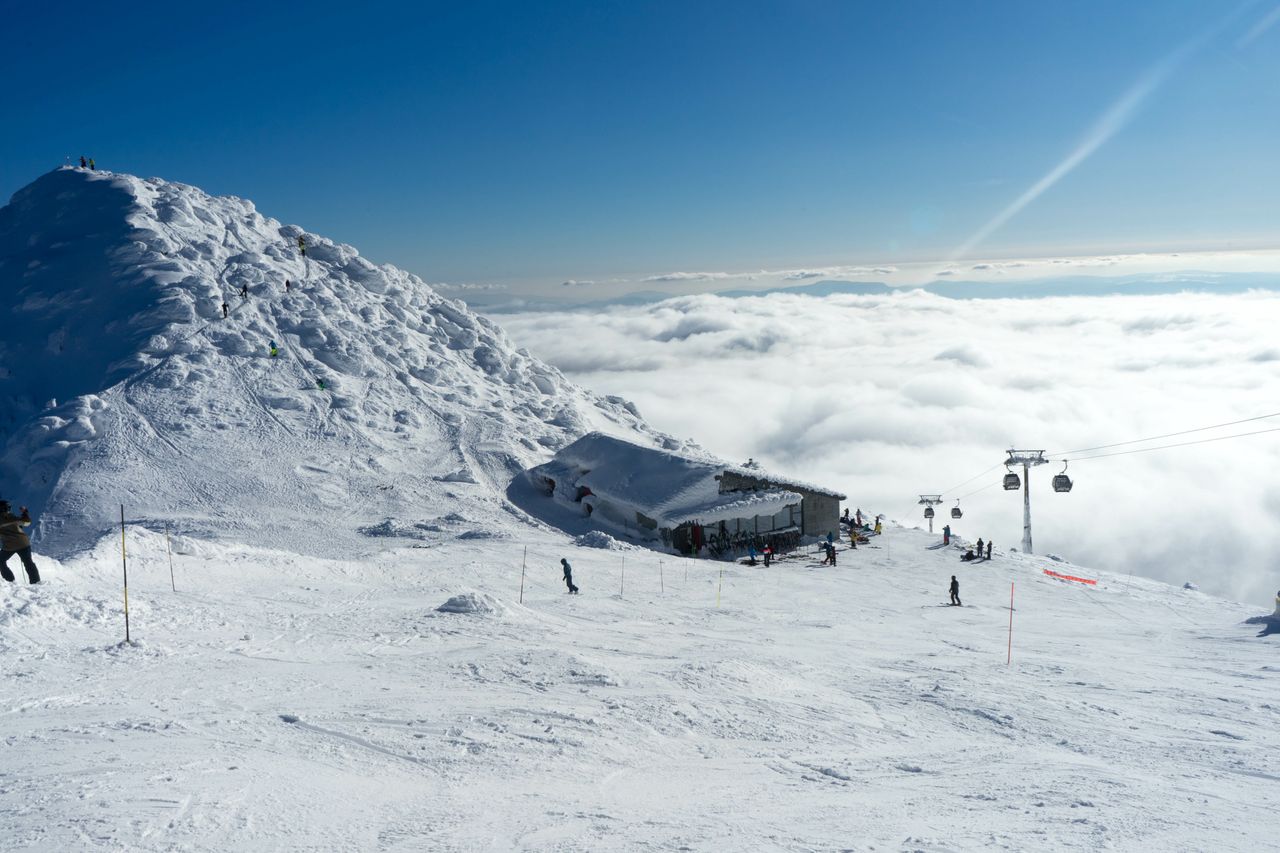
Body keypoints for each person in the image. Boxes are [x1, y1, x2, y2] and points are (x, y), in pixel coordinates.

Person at [0, 500, 41, 584]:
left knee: (1, 561)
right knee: (28, 562)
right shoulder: (13, 517)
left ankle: (10, 581)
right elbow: (27, 523)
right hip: (23, 543)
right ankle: (36, 582)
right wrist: (25, 513)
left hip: (9, 546)